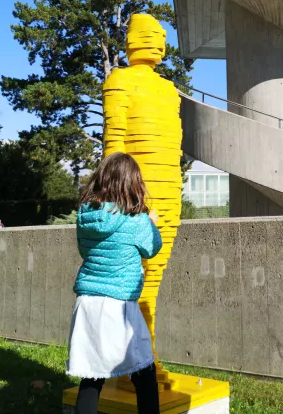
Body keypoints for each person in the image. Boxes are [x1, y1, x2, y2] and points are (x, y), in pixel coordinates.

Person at [67, 152, 162, 414]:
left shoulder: (85, 216)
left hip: (88, 302)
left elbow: (84, 251)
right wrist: (151, 224)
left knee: (92, 375)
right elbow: (152, 249)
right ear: (132, 182)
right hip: (119, 305)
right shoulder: (136, 220)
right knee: (144, 373)